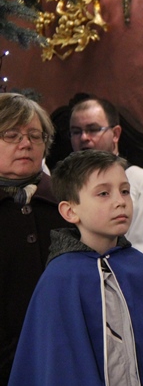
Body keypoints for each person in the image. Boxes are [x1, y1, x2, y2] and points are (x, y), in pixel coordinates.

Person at [8, 150, 143, 386]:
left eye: (125, 191)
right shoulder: (60, 279)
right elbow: (56, 366)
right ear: (70, 211)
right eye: (103, 193)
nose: (120, 201)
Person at [0, 93, 70, 385]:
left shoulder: (71, 202)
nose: (25, 143)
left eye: (34, 135)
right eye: (11, 135)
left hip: (64, 357)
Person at [69, 94, 143, 272]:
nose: (84, 137)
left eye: (93, 129)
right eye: (76, 132)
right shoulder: (69, 184)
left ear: (115, 134)